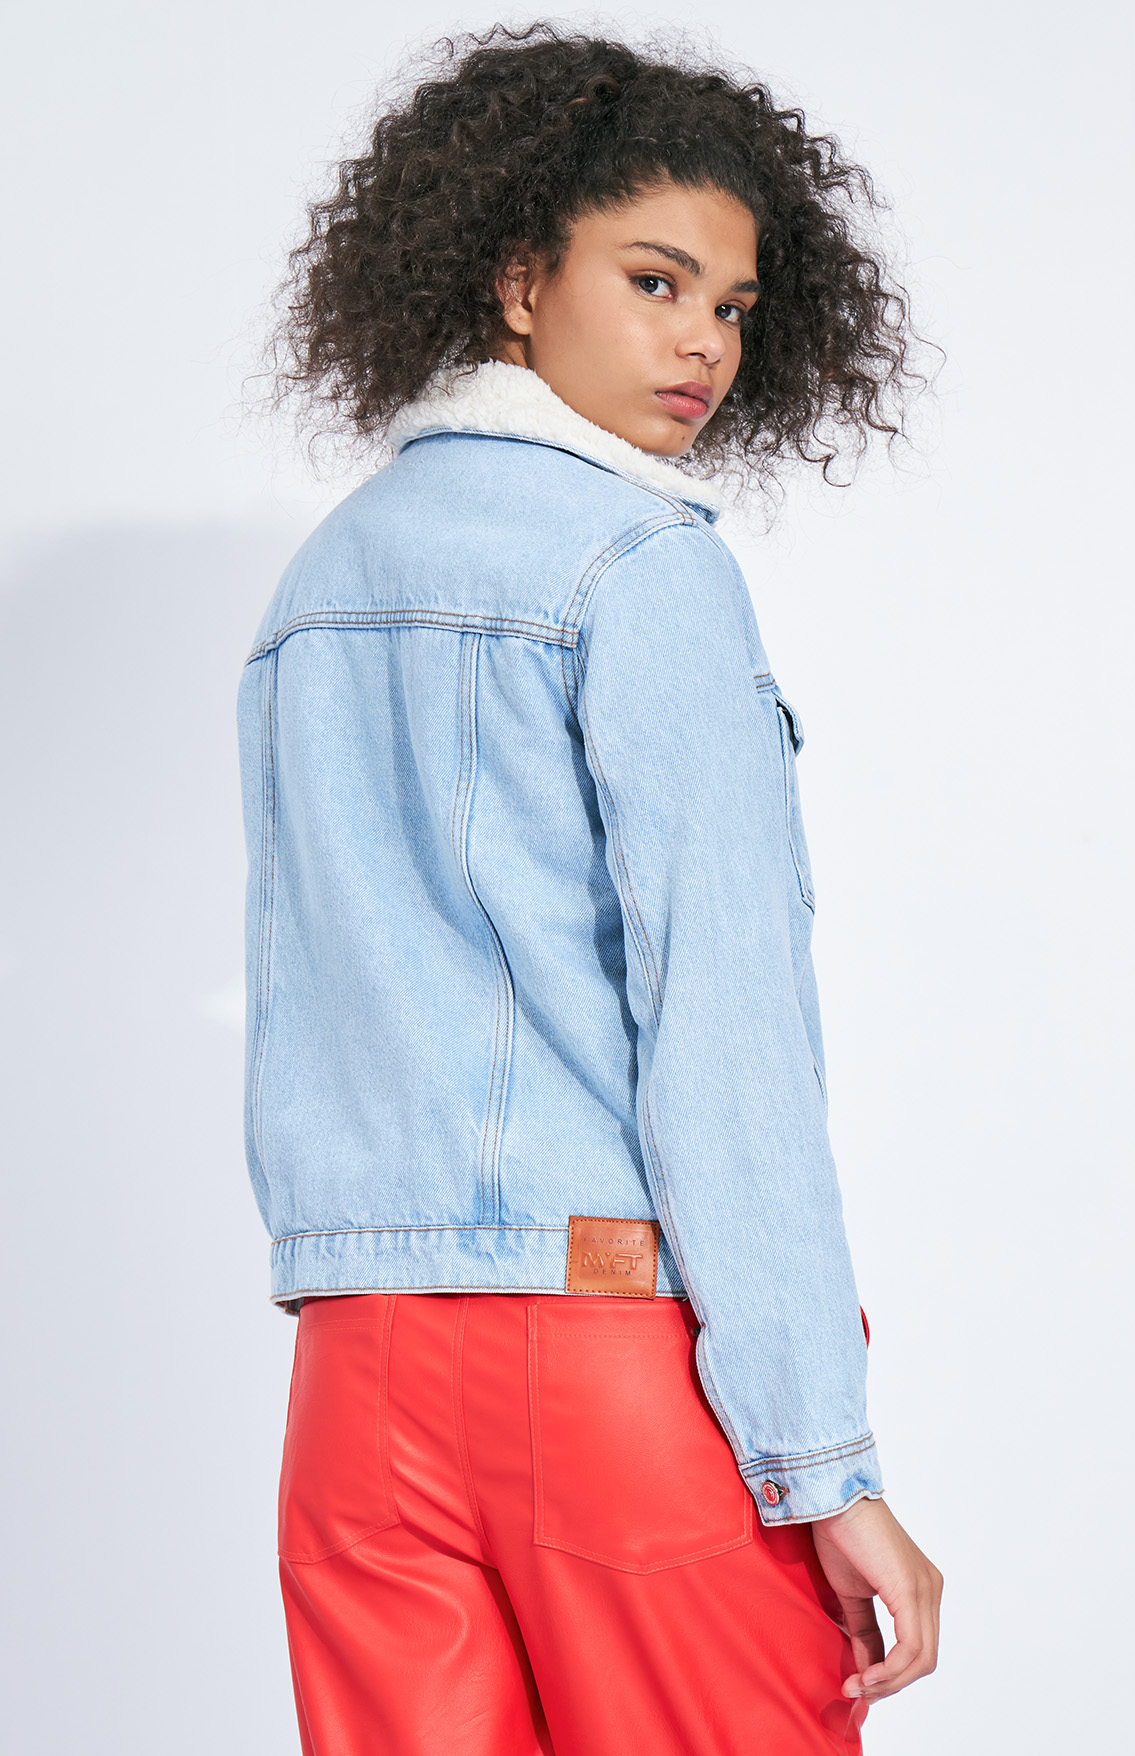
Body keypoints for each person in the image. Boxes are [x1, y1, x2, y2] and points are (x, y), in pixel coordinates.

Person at [242, 22, 942, 1755]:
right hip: (607, 1367)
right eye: (653, 280)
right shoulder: (638, 567)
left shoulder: (319, 584)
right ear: (514, 278)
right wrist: (822, 1458)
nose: (704, 341)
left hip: (357, 1386)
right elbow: (723, 1032)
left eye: (733, 306)